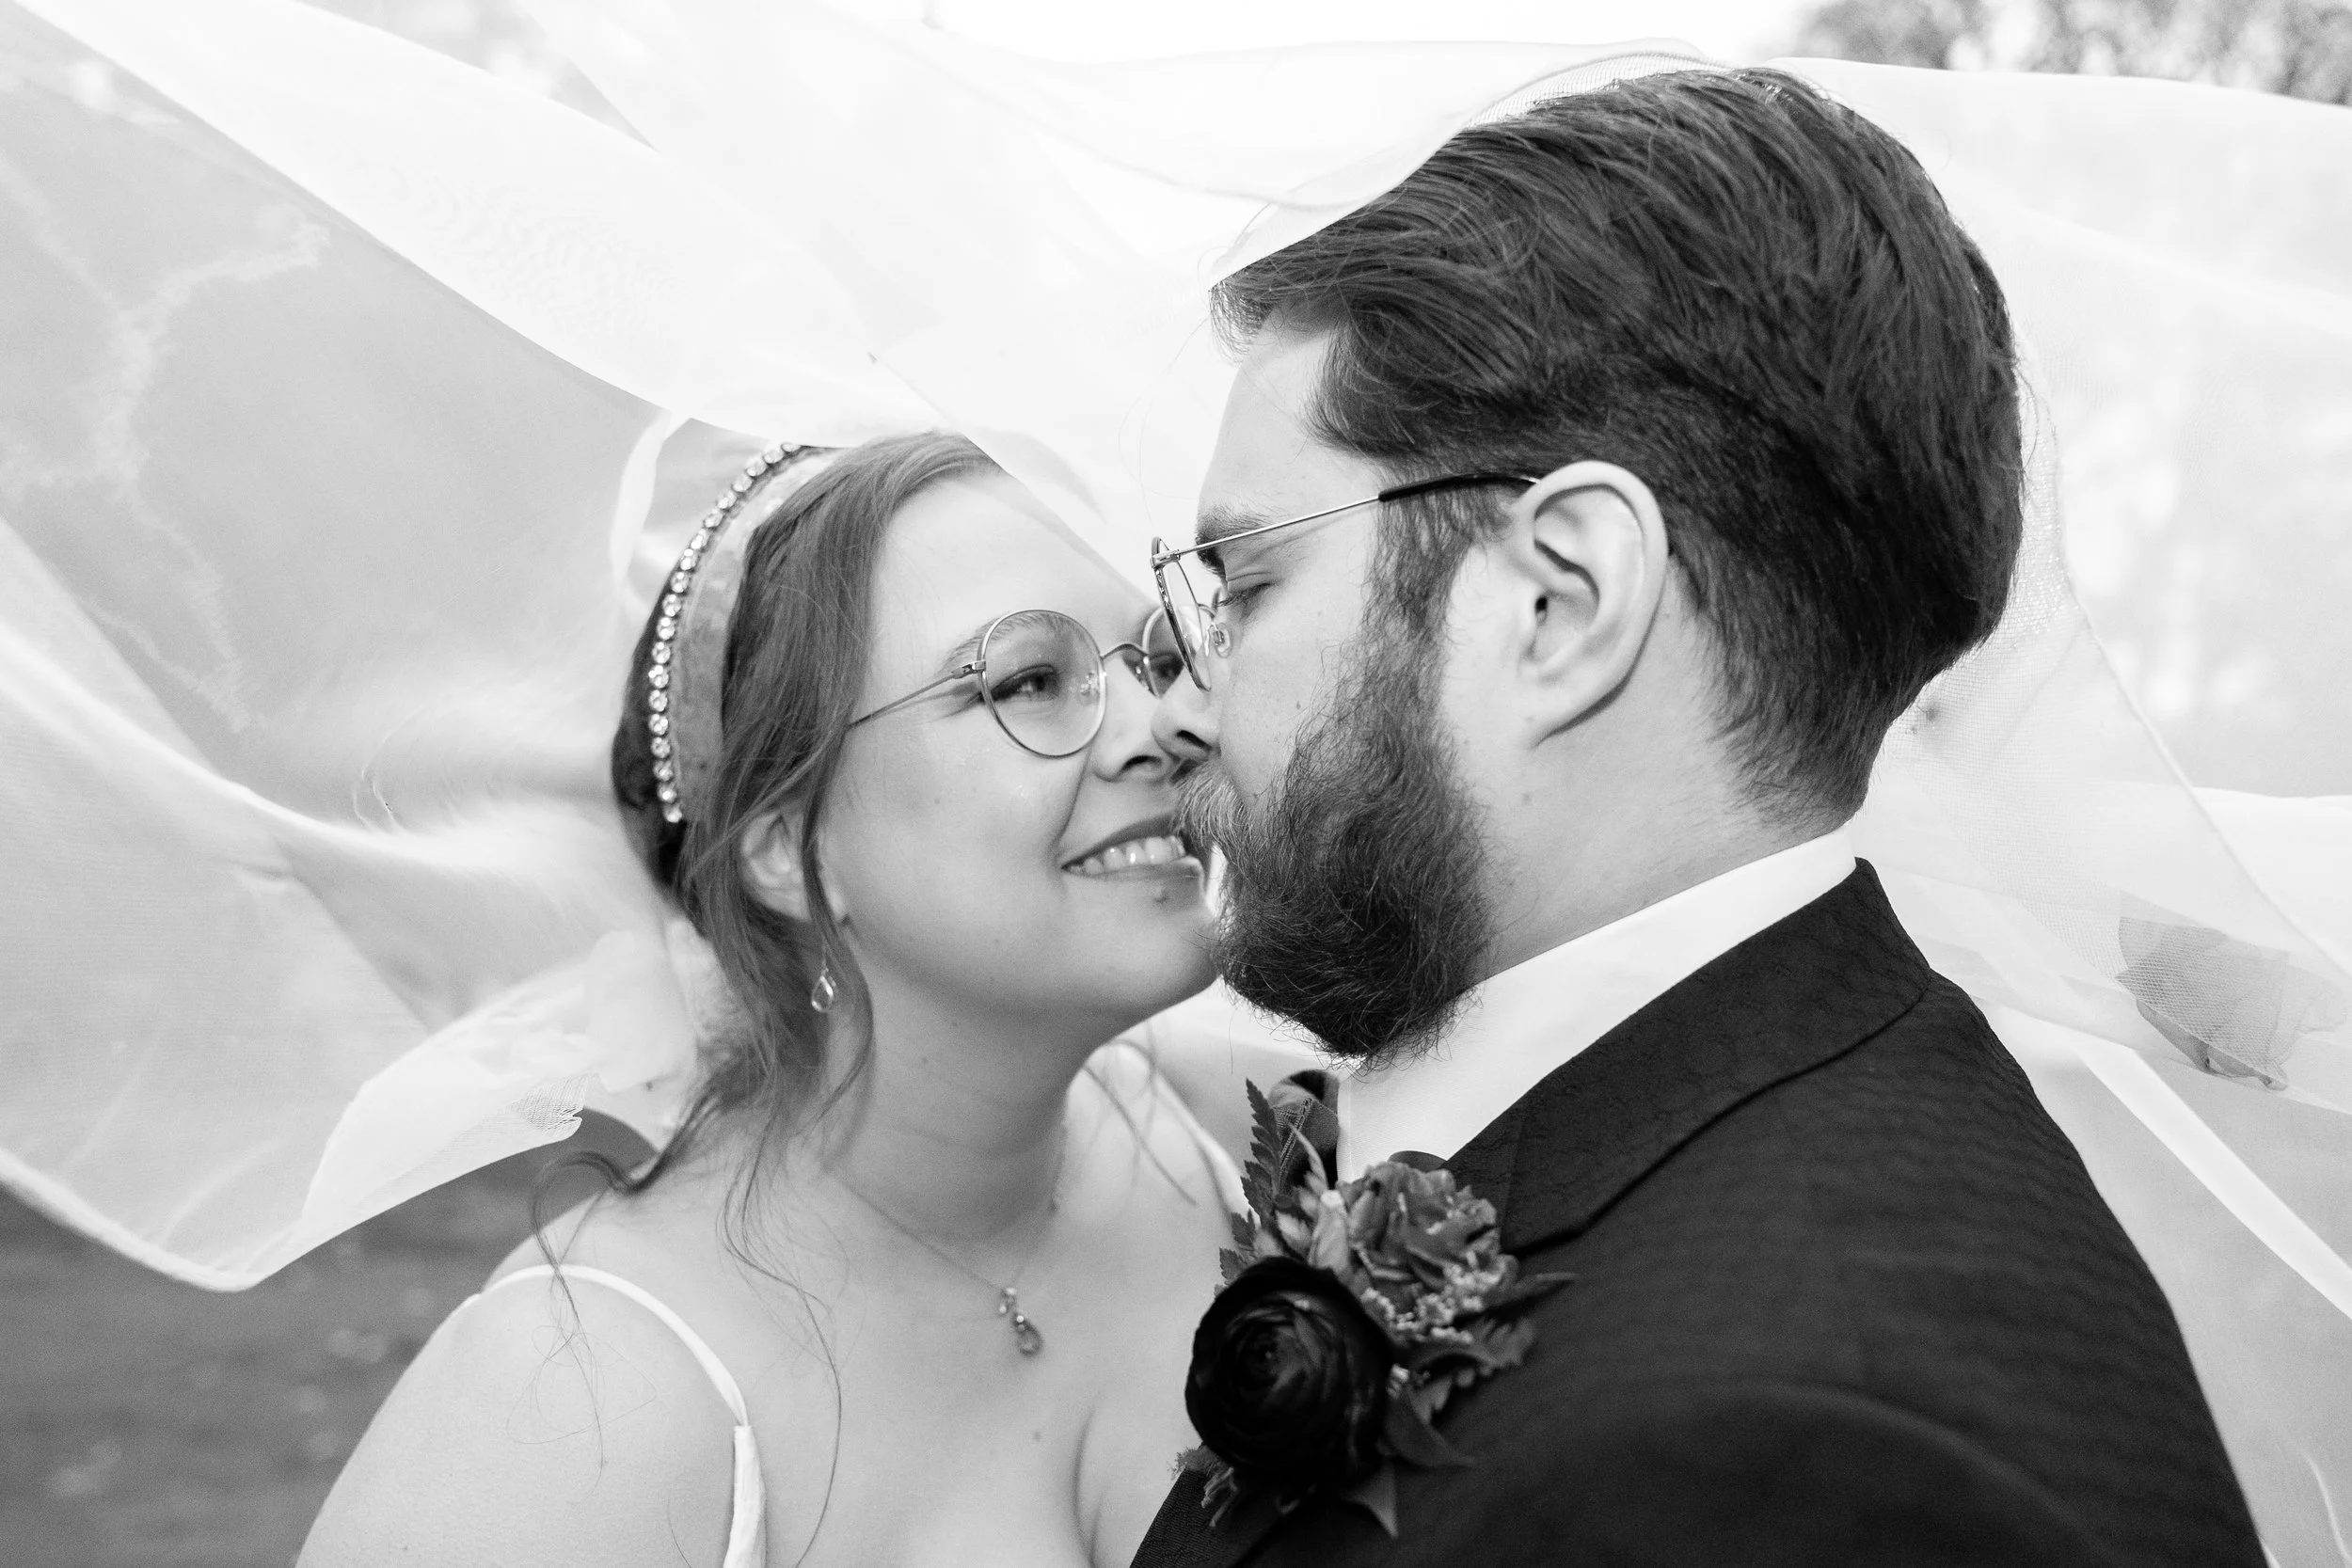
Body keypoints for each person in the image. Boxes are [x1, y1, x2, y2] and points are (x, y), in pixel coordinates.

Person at [1134, 69, 2269, 1567]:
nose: (1176, 707)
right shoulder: (1763, 1135)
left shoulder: (1782, 1463)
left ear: (1561, 600)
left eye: (1248, 584)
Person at [300, 432, 1278, 1567]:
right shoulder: (572, 1403)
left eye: (1151, 660)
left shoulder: (1249, 1140)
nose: (1168, 726)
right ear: (783, 847)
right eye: (1027, 681)